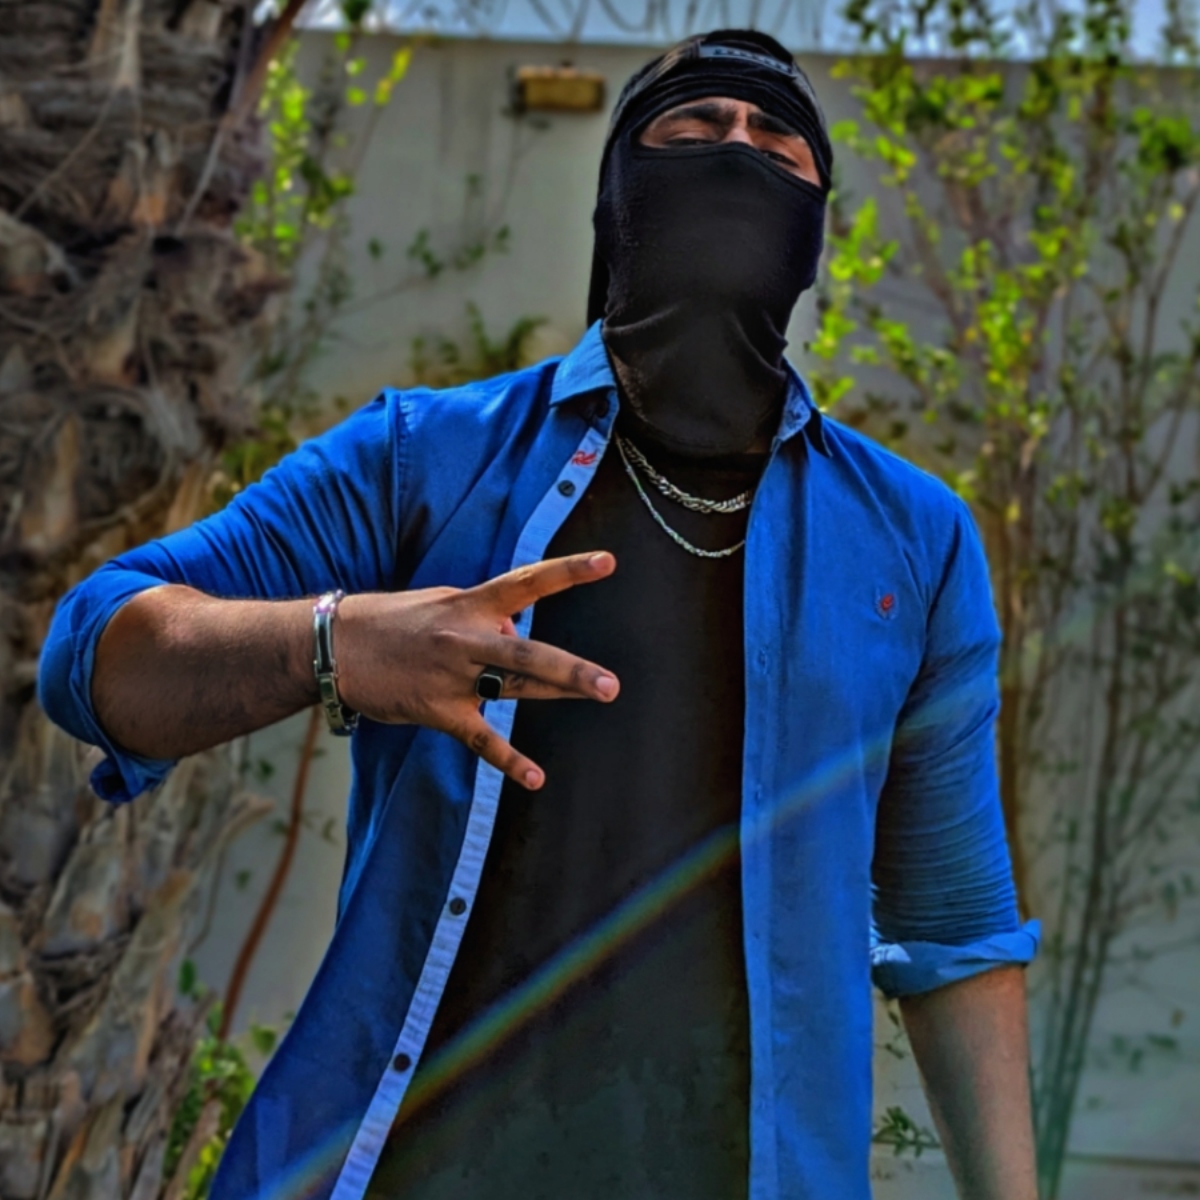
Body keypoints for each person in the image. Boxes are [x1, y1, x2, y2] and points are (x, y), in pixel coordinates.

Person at [39, 28, 1041, 1200]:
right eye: (694, 129)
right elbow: (93, 653)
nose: (738, 150)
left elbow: (954, 930)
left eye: (779, 143)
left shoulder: (913, 538)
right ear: (619, 200)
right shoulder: (426, 456)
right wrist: (338, 643)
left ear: (815, 228)